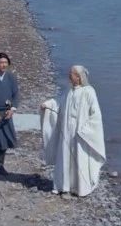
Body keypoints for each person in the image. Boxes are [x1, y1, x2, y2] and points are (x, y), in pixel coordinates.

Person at [40, 65, 106, 197]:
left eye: (72, 74)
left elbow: (96, 115)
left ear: (79, 77)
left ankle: (80, 187)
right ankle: (64, 186)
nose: (69, 76)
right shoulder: (69, 91)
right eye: (70, 73)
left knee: (79, 158)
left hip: (80, 133)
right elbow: (58, 102)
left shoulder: (88, 91)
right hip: (67, 131)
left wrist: (85, 130)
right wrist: (47, 104)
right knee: (65, 157)